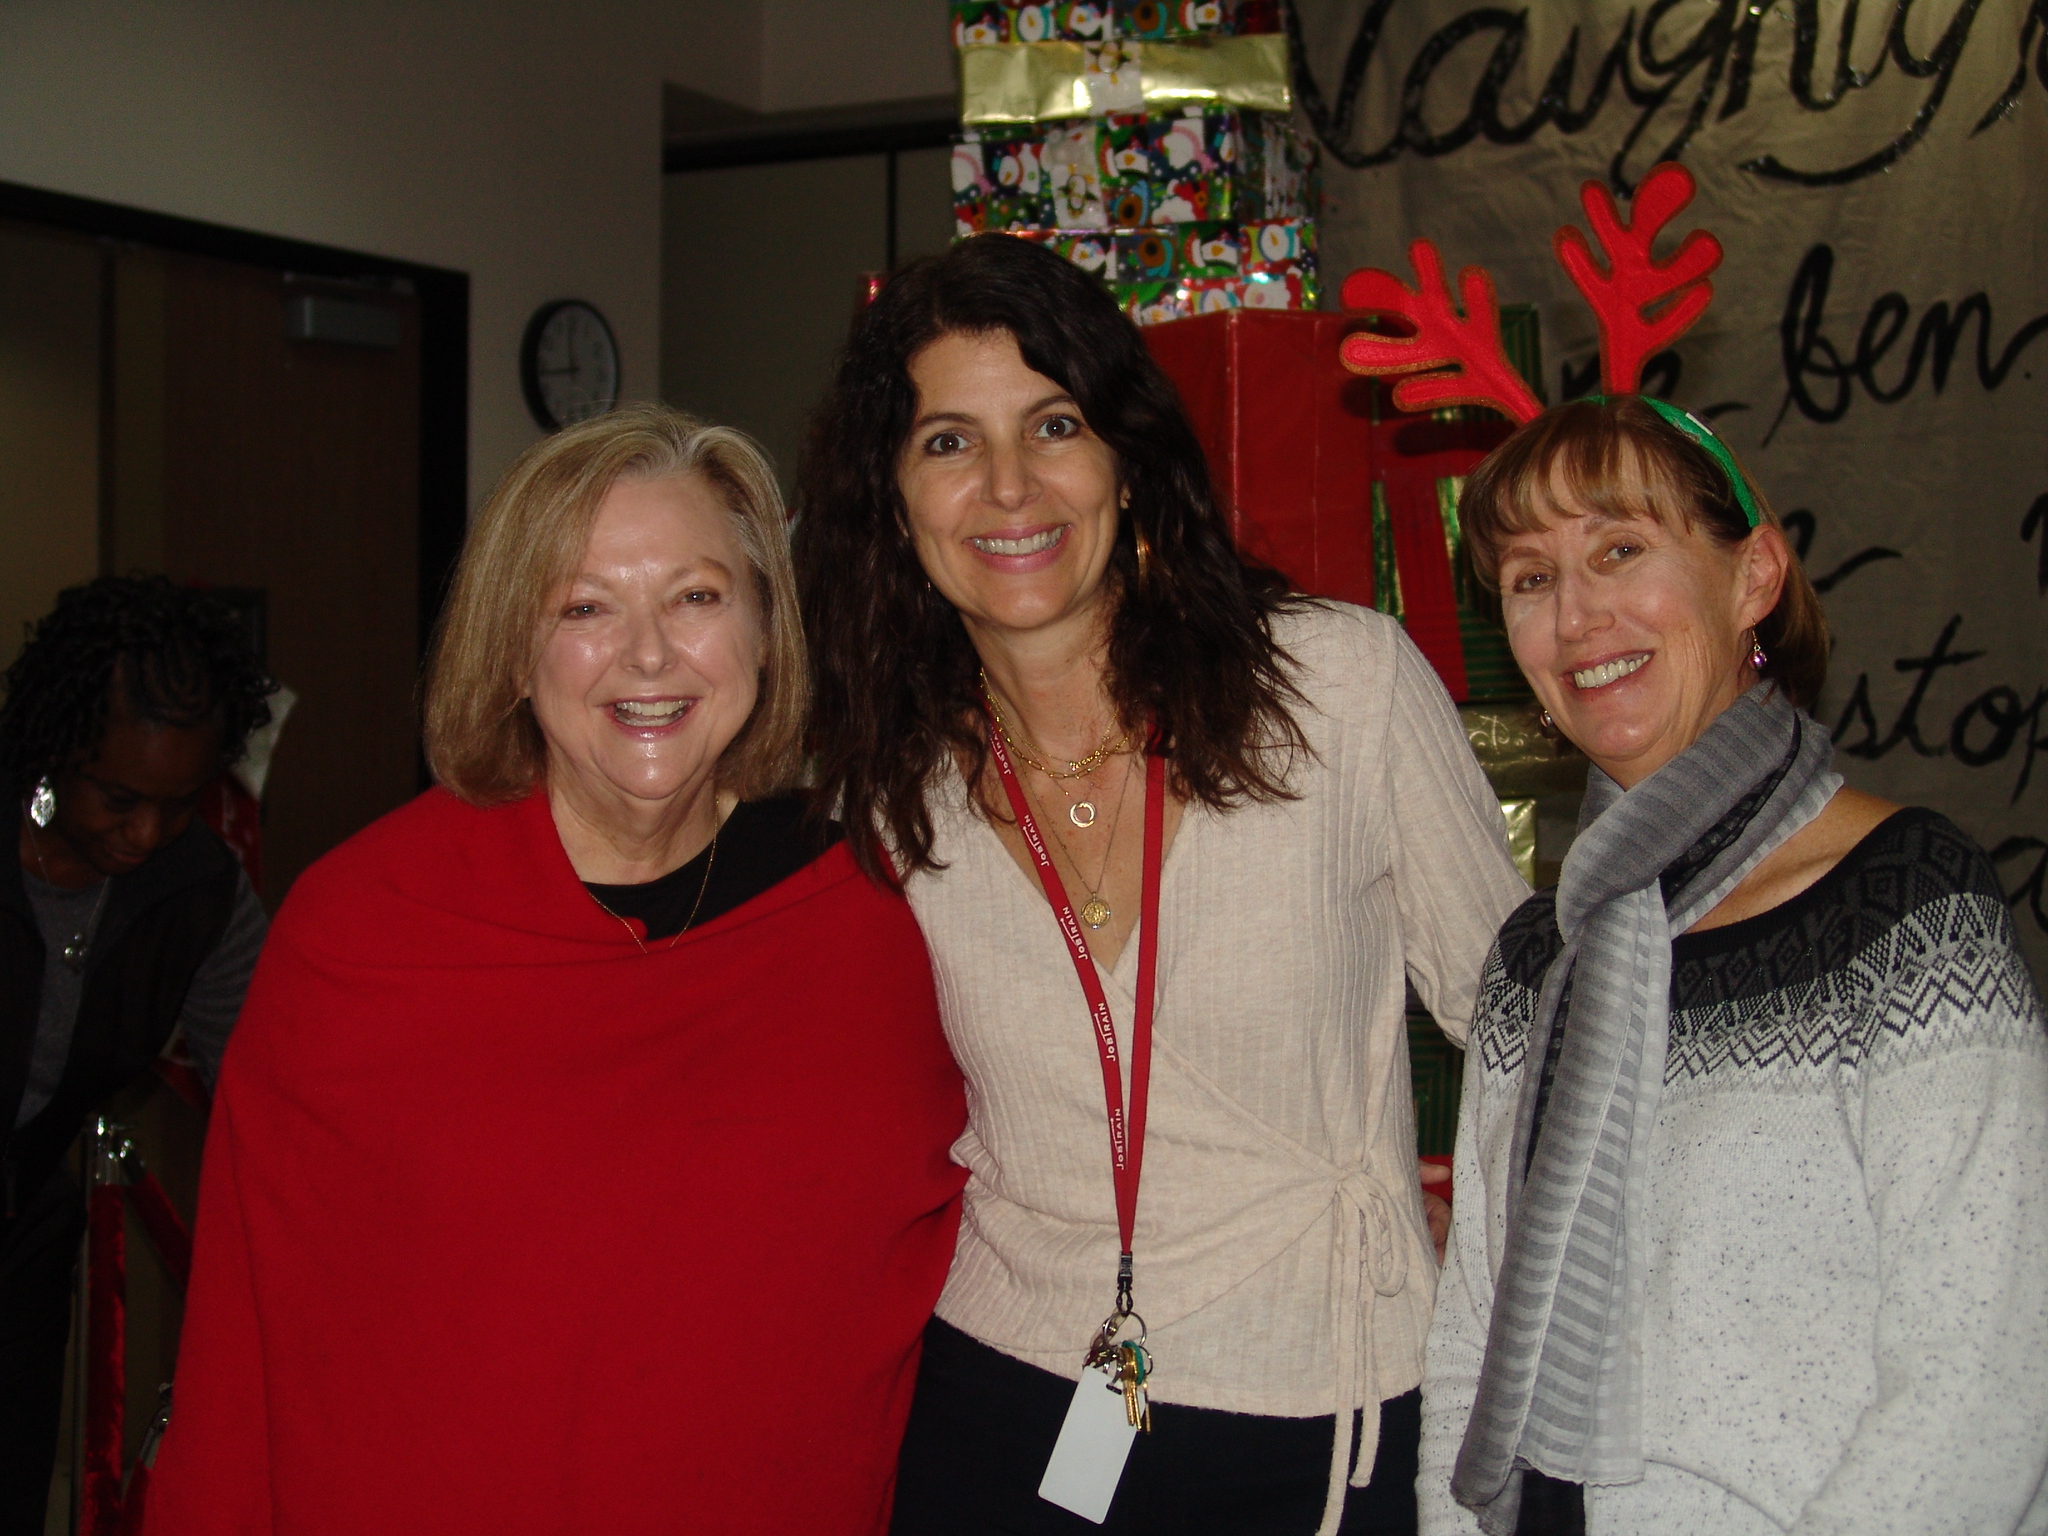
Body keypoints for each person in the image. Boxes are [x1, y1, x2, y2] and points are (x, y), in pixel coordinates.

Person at [795, 233, 1529, 1536]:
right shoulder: (882, 787)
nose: (1009, 486)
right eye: (949, 442)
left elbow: (1530, 1027)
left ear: (1126, 461)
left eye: (1054, 425)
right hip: (997, 1398)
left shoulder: (1338, 690)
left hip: (1316, 1406)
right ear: (894, 505)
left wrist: (1486, 1263)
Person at [147, 405, 968, 1535]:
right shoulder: (364, 932)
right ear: (512, 651)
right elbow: (244, 1340)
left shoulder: (869, 924)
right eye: (585, 607)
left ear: (767, 632)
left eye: (696, 597)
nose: (649, 654)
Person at [1417, 396, 2048, 1535]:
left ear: (1752, 575)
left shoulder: (1902, 907)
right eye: (1530, 578)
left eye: (1620, 550)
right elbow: (1471, 1333)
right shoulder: (1536, 958)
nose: (1576, 616)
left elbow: (1986, 1383)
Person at [1, 576, 272, 1535]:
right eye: (119, 797)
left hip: (24, 1243)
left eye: (178, 802)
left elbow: (266, 1089)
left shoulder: (198, 892)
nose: (147, 832)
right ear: (58, 744)